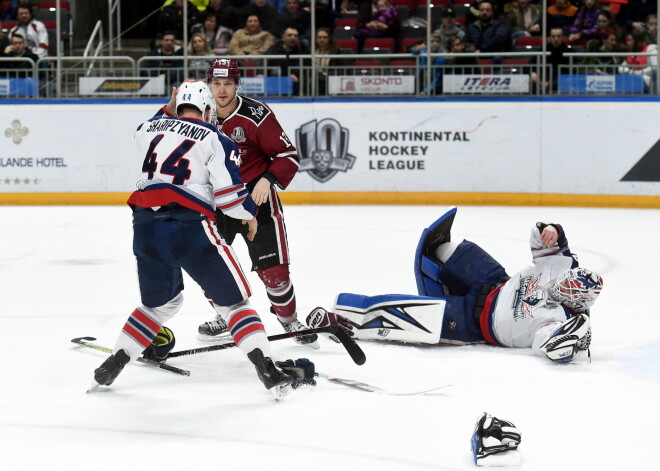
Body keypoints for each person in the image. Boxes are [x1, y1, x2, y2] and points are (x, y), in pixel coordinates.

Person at [89, 81, 295, 396]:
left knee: (159, 306)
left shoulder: (148, 128)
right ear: (209, 109)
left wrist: (169, 107)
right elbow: (229, 199)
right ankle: (266, 367)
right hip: (190, 226)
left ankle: (114, 363)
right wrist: (250, 214)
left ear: (176, 104)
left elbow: (154, 125)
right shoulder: (217, 138)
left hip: (145, 225)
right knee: (234, 304)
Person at [334, 207, 603, 363]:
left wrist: (572, 340)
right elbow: (544, 240)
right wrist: (550, 229)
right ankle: (438, 290)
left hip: (474, 322)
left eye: (568, 289)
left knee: (394, 312)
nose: (562, 285)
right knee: (440, 248)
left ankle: (343, 317)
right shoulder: (562, 266)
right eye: (567, 281)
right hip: (492, 280)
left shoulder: (558, 322)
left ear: (578, 303)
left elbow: (553, 348)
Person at [190, 58, 318, 347]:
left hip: (255, 201)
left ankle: (289, 320)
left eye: (228, 83)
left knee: (273, 271)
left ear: (237, 85)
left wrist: (268, 179)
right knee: (209, 265)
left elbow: (287, 155)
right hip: (213, 203)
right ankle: (227, 315)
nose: (221, 90)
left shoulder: (256, 114)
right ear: (208, 84)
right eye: (216, 83)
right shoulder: (197, 112)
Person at [265, 26, 306, 95]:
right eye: (289, 35)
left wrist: (295, 74)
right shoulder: (274, 49)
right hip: (274, 81)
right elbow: (264, 61)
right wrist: (261, 73)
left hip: (292, 84)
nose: (293, 38)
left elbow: (303, 66)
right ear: (283, 37)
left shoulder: (300, 51)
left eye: (295, 36)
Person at [313, 27, 341, 95]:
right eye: (319, 37)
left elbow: (338, 68)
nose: (322, 39)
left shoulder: (335, 51)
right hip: (315, 79)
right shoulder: (313, 51)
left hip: (329, 80)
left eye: (324, 37)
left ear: (329, 39)